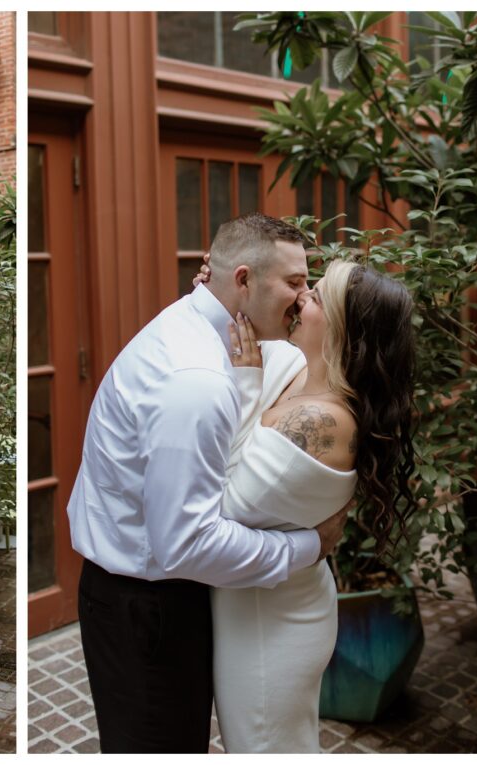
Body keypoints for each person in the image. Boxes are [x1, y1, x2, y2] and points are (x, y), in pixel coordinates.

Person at [66, 213, 350, 753]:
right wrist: (307, 546)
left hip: (156, 597)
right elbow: (186, 544)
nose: (302, 294)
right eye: (294, 282)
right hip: (147, 610)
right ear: (243, 280)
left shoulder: (215, 328)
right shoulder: (196, 381)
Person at [206, 258, 417, 752]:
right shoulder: (297, 371)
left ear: (345, 328)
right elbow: (245, 326)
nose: (302, 299)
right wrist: (222, 286)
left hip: (270, 625)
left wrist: (244, 386)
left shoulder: (326, 423)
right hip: (255, 602)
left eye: (317, 297)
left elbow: (225, 508)